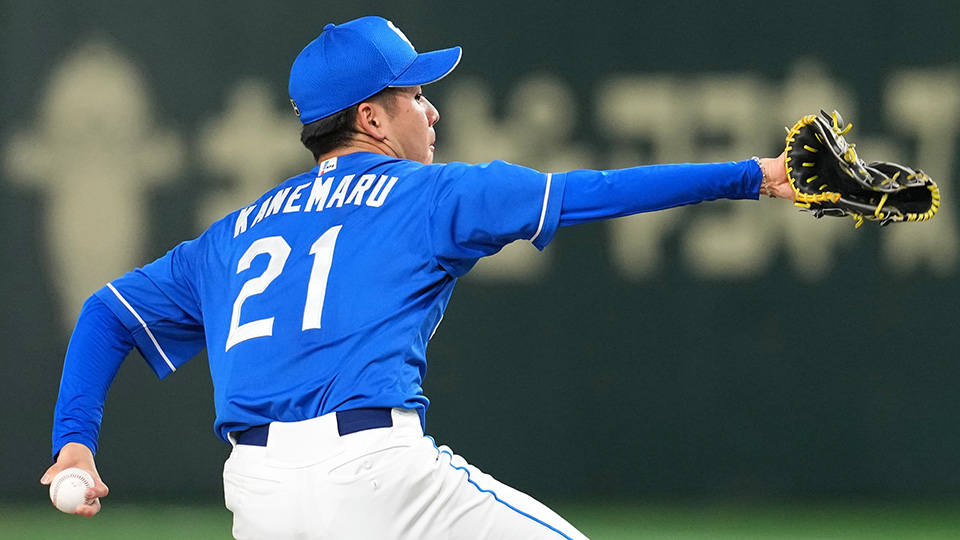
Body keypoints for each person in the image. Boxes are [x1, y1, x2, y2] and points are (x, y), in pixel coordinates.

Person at [41, 15, 794, 540]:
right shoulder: (431, 194)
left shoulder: (233, 234)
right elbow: (592, 191)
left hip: (259, 498)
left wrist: (74, 442)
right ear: (372, 118)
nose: (431, 113)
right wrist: (753, 175)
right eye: (416, 96)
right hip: (378, 476)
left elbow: (107, 313)